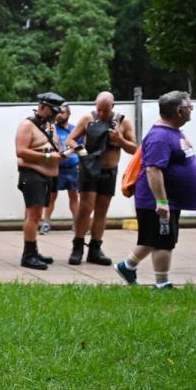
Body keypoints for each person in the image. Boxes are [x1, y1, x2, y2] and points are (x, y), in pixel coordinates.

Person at [115, 91, 196, 289]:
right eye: (190, 107)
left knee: (154, 237)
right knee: (163, 242)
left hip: (167, 200)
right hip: (158, 201)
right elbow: (153, 170)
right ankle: (162, 284)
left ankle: (127, 266)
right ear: (179, 111)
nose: (191, 110)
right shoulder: (161, 136)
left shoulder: (171, 131)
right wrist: (162, 202)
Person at [64, 91, 138, 265]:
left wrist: (120, 140)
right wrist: (82, 152)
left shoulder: (123, 122)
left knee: (102, 210)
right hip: (89, 169)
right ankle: (78, 247)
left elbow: (135, 148)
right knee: (85, 207)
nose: (103, 114)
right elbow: (70, 140)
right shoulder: (87, 119)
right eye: (100, 110)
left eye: (106, 110)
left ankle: (95, 249)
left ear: (113, 106)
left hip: (109, 170)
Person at [15, 92, 65, 270]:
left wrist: (62, 154)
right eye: (52, 110)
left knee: (36, 215)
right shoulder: (27, 125)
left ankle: (33, 250)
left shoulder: (49, 125)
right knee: (33, 215)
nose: (55, 114)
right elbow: (21, 151)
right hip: (32, 175)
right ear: (42, 106)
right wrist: (47, 155)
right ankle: (28, 255)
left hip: (46, 176)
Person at [42, 103, 80, 234]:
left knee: (74, 196)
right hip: (57, 167)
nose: (59, 115)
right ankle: (46, 223)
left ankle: (77, 224)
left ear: (69, 113)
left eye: (62, 112)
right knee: (51, 196)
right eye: (57, 112)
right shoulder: (52, 129)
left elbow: (82, 148)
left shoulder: (75, 129)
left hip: (73, 168)